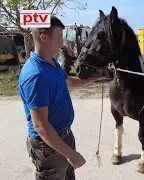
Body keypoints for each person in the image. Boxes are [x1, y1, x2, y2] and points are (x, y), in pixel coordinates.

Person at [18, 15, 108, 180]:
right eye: (60, 37)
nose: (63, 42)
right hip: (48, 145)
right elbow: (41, 125)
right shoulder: (35, 74)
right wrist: (70, 154)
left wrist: (96, 78)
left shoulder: (51, 62)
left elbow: (70, 82)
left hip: (63, 136)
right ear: (44, 38)